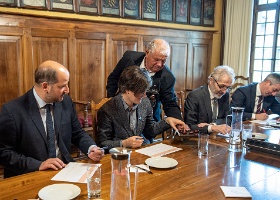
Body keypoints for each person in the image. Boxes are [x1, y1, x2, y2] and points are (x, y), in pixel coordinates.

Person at [0, 60, 104, 178]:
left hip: (65, 169)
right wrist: (39, 165)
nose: (67, 90)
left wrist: (91, 148)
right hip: (31, 174)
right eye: (62, 86)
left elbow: (77, 133)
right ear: (45, 86)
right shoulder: (13, 110)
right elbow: (4, 153)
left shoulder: (65, 101)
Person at [97, 66, 189, 149]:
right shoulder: (107, 109)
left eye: (145, 91)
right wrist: (124, 143)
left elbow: (150, 131)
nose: (145, 95)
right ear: (127, 90)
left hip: (141, 151)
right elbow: (103, 143)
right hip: (119, 157)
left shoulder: (144, 102)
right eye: (141, 92)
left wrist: (168, 121)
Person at [106, 38, 182, 123]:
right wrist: (111, 100)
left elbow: (170, 103)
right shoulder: (129, 58)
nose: (160, 64)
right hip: (120, 113)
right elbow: (113, 79)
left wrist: (178, 121)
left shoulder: (168, 77)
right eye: (156, 60)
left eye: (163, 61)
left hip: (148, 122)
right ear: (147, 52)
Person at [184, 66, 235, 134]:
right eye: (221, 86)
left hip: (216, 137)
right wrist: (211, 128)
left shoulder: (225, 95)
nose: (224, 91)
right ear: (211, 80)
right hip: (198, 138)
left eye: (228, 87)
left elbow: (228, 119)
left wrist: (213, 126)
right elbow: (190, 126)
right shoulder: (195, 96)